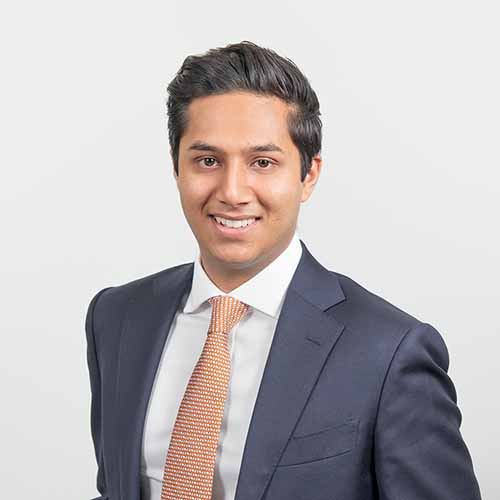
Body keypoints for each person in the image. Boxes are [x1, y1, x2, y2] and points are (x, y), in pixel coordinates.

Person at [85, 41, 482, 500]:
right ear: (177, 167)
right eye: (207, 160)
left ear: (308, 175)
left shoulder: (389, 352)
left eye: (263, 163)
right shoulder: (116, 317)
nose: (233, 191)